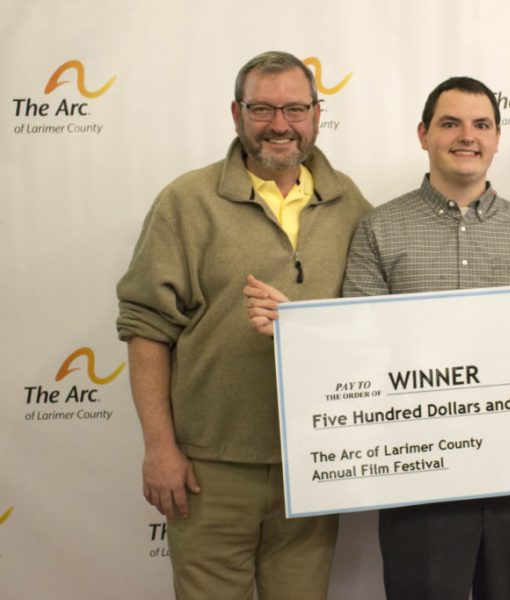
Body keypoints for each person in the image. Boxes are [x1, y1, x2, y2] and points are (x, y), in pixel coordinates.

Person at [245, 76, 510, 600]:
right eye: (450, 123)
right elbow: (356, 346)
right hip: (420, 476)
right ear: (424, 134)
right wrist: (298, 332)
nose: (466, 136)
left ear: (497, 139)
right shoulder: (379, 229)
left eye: (481, 125)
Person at [116, 51, 370, 600]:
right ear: (236, 114)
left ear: (317, 114)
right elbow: (145, 328)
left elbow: (370, 325)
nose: (280, 124)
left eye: (295, 109)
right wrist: (160, 447)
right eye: (263, 108)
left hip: (313, 464)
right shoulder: (186, 202)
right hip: (210, 469)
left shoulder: (350, 203)